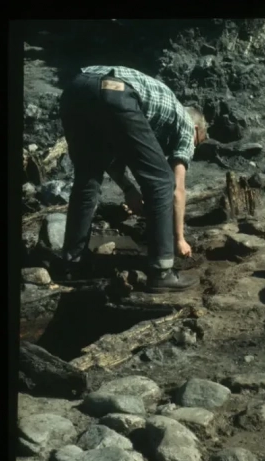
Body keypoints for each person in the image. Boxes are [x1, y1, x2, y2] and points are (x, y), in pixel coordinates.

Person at [55, 65, 207, 293]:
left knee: (88, 178)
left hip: (75, 89)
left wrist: (128, 189)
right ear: (196, 129)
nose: (192, 149)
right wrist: (179, 239)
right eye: (198, 142)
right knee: (162, 180)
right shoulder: (185, 123)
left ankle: (72, 264)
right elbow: (176, 188)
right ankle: (162, 271)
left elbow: (108, 159)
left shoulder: (154, 116)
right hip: (114, 89)